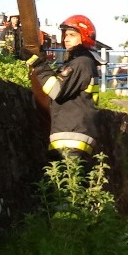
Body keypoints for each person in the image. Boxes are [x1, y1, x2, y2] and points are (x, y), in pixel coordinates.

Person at [24, 14, 100, 159]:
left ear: (84, 37)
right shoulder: (81, 63)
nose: (66, 38)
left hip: (71, 140)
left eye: (72, 34)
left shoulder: (81, 63)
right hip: (73, 137)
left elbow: (56, 90)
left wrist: (39, 65)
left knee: (66, 180)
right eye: (64, 35)